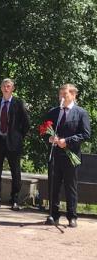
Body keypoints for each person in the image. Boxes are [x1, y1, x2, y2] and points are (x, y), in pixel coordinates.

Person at [44, 84, 91, 228]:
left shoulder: (80, 113)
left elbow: (86, 134)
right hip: (55, 155)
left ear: (73, 95)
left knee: (71, 187)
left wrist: (67, 141)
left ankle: (72, 216)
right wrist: (49, 138)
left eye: (65, 94)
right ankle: (53, 214)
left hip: (71, 156)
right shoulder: (54, 112)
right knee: (54, 186)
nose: (62, 97)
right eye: (61, 94)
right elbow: (45, 130)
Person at [0, 79, 30, 210]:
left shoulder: (18, 103)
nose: (6, 88)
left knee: (15, 172)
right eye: (4, 86)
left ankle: (15, 199)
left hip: (13, 142)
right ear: (1, 88)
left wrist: (18, 137)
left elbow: (26, 123)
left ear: (13, 89)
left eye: (9, 86)